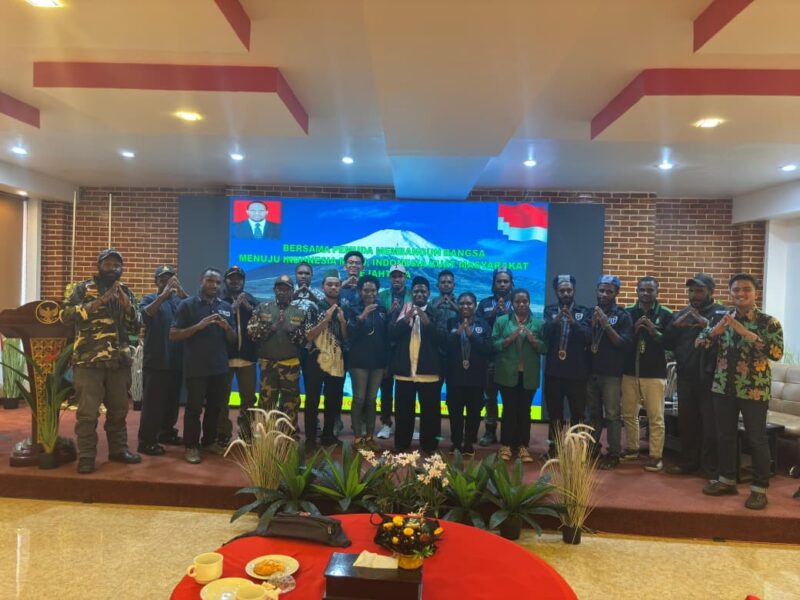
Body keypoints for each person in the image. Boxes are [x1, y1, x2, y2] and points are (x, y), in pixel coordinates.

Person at [696, 273, 783, 510]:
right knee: (724, 435)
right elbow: (700, 342)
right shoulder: (722, 318)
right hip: (723, 386)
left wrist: (746, 333)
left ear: (756, 293)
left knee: (757, 439)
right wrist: (714, 332)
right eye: (736, 289)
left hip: (754, 389)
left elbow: (776, 352)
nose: (741, 294)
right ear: (730, 292)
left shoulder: (769, 322)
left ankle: (759, 490)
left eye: (746, 289)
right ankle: (726, 481)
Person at [62, 248, 143, 474]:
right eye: (108, 264)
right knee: (87, 414)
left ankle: (118, 450)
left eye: (117, 265)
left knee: (118, 411)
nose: (113, 268)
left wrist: (128, 307)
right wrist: (99, 302)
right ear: (99, 266)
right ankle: (87, 457)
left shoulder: (126, 291)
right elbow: (65, 315)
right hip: (89, 361)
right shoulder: (83, 288)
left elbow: (137, 324)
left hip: (119, 362)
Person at [662, 273, 727, 477]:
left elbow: (727, 340)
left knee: (710, 425)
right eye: (691, 290)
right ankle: (689, 462)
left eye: (699, 290)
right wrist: (675, 327)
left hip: (711, 379)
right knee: (687, 422)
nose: (694, 295)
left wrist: (706, 324)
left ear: (711, 292)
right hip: (686, 376)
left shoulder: (722, 314)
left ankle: (710, 467)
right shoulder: (682, 314)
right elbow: (666, 343)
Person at [170, 268, 236, 464]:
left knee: (215, 408)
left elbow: (233, 340)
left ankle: (209, 441)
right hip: (196, 367)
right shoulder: (187, 305)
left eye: (217, 282)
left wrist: (227, 327)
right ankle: (191, 446)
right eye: (210, 281)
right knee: (194, 409)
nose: (214, 285)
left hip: (219, 367)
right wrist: (198, 326)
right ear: (201, 281)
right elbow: (173, 334)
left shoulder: (225, 307)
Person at [621, 276, 673, 472]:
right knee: (629, 414)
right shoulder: (627, 312)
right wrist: (634, 330)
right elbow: (623, 341)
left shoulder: (666, 314)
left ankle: (655, 456)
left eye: (650, 290)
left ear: (657, 292)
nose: (645, 293)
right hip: (629, 371)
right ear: (637, 291)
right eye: (642, 289)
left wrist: (654, 331)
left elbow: (671, 343)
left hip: (654, 373)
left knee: (655, 417)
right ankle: (633, 448)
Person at [137, 264, 187, 456]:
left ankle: (166, 433)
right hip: (157, 360)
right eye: (162, 279)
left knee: (172, 402)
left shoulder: (179, 301)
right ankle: (147, 441)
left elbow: (194, 309)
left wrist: (181, 291)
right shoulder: (150, 299)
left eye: (170, 278)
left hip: (176, 360)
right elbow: (143, 316)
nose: (166, 282)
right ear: (156, 281)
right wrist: (163, 295)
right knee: (153, 404)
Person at [248, 275, 307, 433]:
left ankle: (288, 435)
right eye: (279, 288)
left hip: (290, 365)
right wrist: (271, 328)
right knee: (266, 401)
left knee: (291, 402)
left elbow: (306, 340)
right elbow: (252, 333)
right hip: (268, 364)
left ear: (292, 291)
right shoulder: (263, 308)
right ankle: (265, 437)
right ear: (274, 290)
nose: (282, 292)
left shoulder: (300, 311)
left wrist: (291, 330)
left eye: (286, 289)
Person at [585, 275, 633, 470]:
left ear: (616, 293)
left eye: (609, 291)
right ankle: (592, 448)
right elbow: (583, 339)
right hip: (590, 372)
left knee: (612, 415)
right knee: (592, 413)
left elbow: (624, 344)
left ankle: (614, 453)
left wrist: (606, 324)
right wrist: (591, 326)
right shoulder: (590, 313)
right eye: (601, 290)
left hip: (611, 374)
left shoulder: (623, 316)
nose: (604, 294)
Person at [492, 288, 545, 463]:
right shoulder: (502, 321)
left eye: (525, 301)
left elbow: (545, 348)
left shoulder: (538, 323)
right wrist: (510, 337)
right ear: (512, 304)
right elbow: (494, 345)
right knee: (508, 410)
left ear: (529, 303)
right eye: (518, 301)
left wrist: (533, 340)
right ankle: (506, 445)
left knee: (525, 411)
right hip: (507, 374)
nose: (521, 304)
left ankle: (523, 446)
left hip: (529, 375)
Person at [390, 276, 442, 454]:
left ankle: (430, 446)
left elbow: (443, 339)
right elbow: (391, 334)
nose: (420, 294)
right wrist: (406, 320)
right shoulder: (403, 311)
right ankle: (401, 444)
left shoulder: (436, 313)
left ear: (429, 294)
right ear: (411, 293)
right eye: (416, 291)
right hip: (405, 372)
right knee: (403, 412)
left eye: (423, 291)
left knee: (430, 413)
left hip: (429, 373)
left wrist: (427, 322)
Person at [541, 274, 591, 456]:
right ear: (556, 291)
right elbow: (544, 334)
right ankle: (553, 449)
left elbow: (588, 337)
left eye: (569, 290)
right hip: (554, 372)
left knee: (578, 414)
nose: (566, 293)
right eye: (562, 290)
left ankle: (578, 450)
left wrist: (573, 322)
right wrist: (556, 321)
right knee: (555, 414)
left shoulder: (584, 312)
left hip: (577, 372)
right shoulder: (549, 311)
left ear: (574, 291)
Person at [441, 292, 492, 456]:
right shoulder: (450, 323)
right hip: (454, 377)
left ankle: (469, 444)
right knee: (455, 413)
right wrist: (457, 333)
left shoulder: (483, 324)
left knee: (474, 413)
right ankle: (456, 443)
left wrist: (471, 334)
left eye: (469, 303)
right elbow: (444, 347)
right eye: (462, 303)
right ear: (457, 305)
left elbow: (488, 349)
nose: (465, 306)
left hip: (476, 378)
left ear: (475, 306)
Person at [304, 269, 348, 449]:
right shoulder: (313, 308)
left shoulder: (345, 308)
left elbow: (347, 339)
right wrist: (326, 320)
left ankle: (328, 436)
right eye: (329, 284)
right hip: (315, 359)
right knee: (312, 400)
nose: (333, 287)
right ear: (323, 287)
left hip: (337, 361)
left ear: (340, 287)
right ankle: (310, 439)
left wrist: (343, 322)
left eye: (336, 285)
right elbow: (309, 335)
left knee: (333, 400)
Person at [217, 266, 260, 445]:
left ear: (243, 281)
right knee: (221, 398)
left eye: (239, 278)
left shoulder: (252, 300)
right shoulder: (219, 300)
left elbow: (261, 323)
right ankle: (222, 433)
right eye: (231, 278)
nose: (235, 281)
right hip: (224, 358)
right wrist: (231, 308)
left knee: (248, 399)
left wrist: (249, 308)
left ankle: (246, 432)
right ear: (226, 281)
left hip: (247, 358)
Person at [346, 274, 389, 450]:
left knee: (371, 400)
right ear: (359, 291)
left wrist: (386, 363)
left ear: (377, 291)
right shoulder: (352, 309)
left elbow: (386, 338)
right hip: (358, 362)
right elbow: (349, 334)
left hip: (378, 362)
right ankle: (358, 438)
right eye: (366, 290)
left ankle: (370, 437)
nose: (369, 293)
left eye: (373, 290)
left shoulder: (382, 310)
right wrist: (362, 316)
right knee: (359, 399)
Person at [477, 267, 514, 446]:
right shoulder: (484, 303)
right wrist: (492, 315)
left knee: (509, 399)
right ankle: (490, 432)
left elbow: (524, 325)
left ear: (511, 284)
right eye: (499, 281)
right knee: (489, 398)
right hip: (489, 359)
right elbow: (478, 327)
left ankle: (508, 434)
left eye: (505, 281)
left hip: (511, 359)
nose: (502, 284)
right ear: (493, 284)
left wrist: (507, 315)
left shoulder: (518, 302)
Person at [375, 264, 412, 440]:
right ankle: (386, 423)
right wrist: (391, 313)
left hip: (407, 346)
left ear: (405, 277)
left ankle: (406, 424)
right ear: (390, 278)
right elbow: (379, 320)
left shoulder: (412, 294)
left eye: (400, 276)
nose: (397, 279)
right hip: (387, 347)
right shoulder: (382, 296)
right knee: (386, 387)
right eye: (394, 276)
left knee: (406, 389)